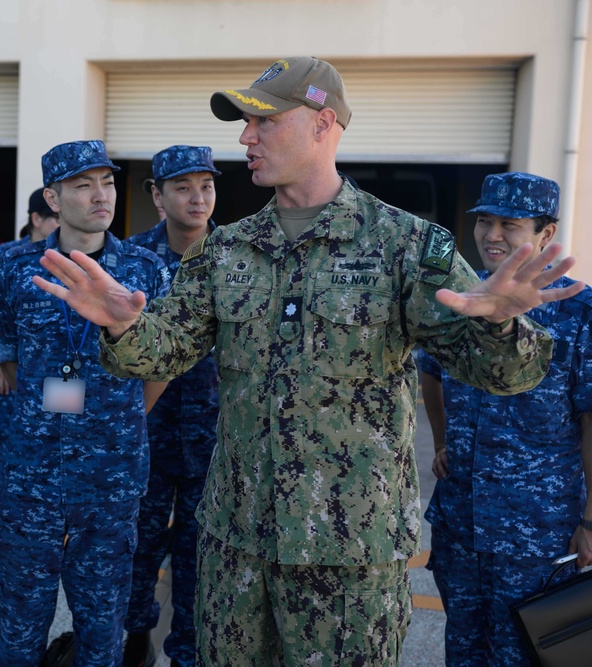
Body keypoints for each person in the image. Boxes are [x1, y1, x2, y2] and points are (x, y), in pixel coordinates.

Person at [32, 57, 583, 666]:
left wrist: (502, 324)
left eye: (262, 122)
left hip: (348, 559)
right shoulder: (227, 248)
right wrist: (126, 325)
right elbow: (166, 349)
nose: (245, 137)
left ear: (323, 123)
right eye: (244, 123)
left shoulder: (404, 245)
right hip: (235, 550)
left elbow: (501, 373)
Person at [0, 140, 169, 666]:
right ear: (53, 194)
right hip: (31, 481)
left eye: (107, 182)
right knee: (20, 628)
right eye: (83, 184)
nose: (100, 195)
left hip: (110, 483)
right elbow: (12, 362)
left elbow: (156, 369)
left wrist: (120, 420)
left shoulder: (144, 269)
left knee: (102, 630)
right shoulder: (14, 266)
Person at [418, 172, 592, 666]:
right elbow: (430, 371)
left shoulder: (579, 311)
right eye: (485, 222)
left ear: (544, 235)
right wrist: (444, 439)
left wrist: (590, 521)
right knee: (464, 647)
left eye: (509, 225)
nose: (492, 235)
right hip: (461, 523)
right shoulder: (461, 300)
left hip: (537, 530)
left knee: (529, 651)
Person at [122, 145, 220, 667]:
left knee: (203, 559)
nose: (197, 198)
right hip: (147, 438)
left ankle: (189, 651)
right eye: (182, 187)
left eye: (205, 186)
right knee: (136, 550)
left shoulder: (237, 259)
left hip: (216, 441)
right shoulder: (131, 262)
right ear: (158, 196)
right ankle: (134, 643)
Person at [0, 187, 59, 493]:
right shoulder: (9, 255)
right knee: (10, 444)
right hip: (8, 372)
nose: (61, 224)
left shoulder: (65, 255)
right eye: (54, 218)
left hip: (51, 375)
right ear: (36, 218)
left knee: (53, 446)